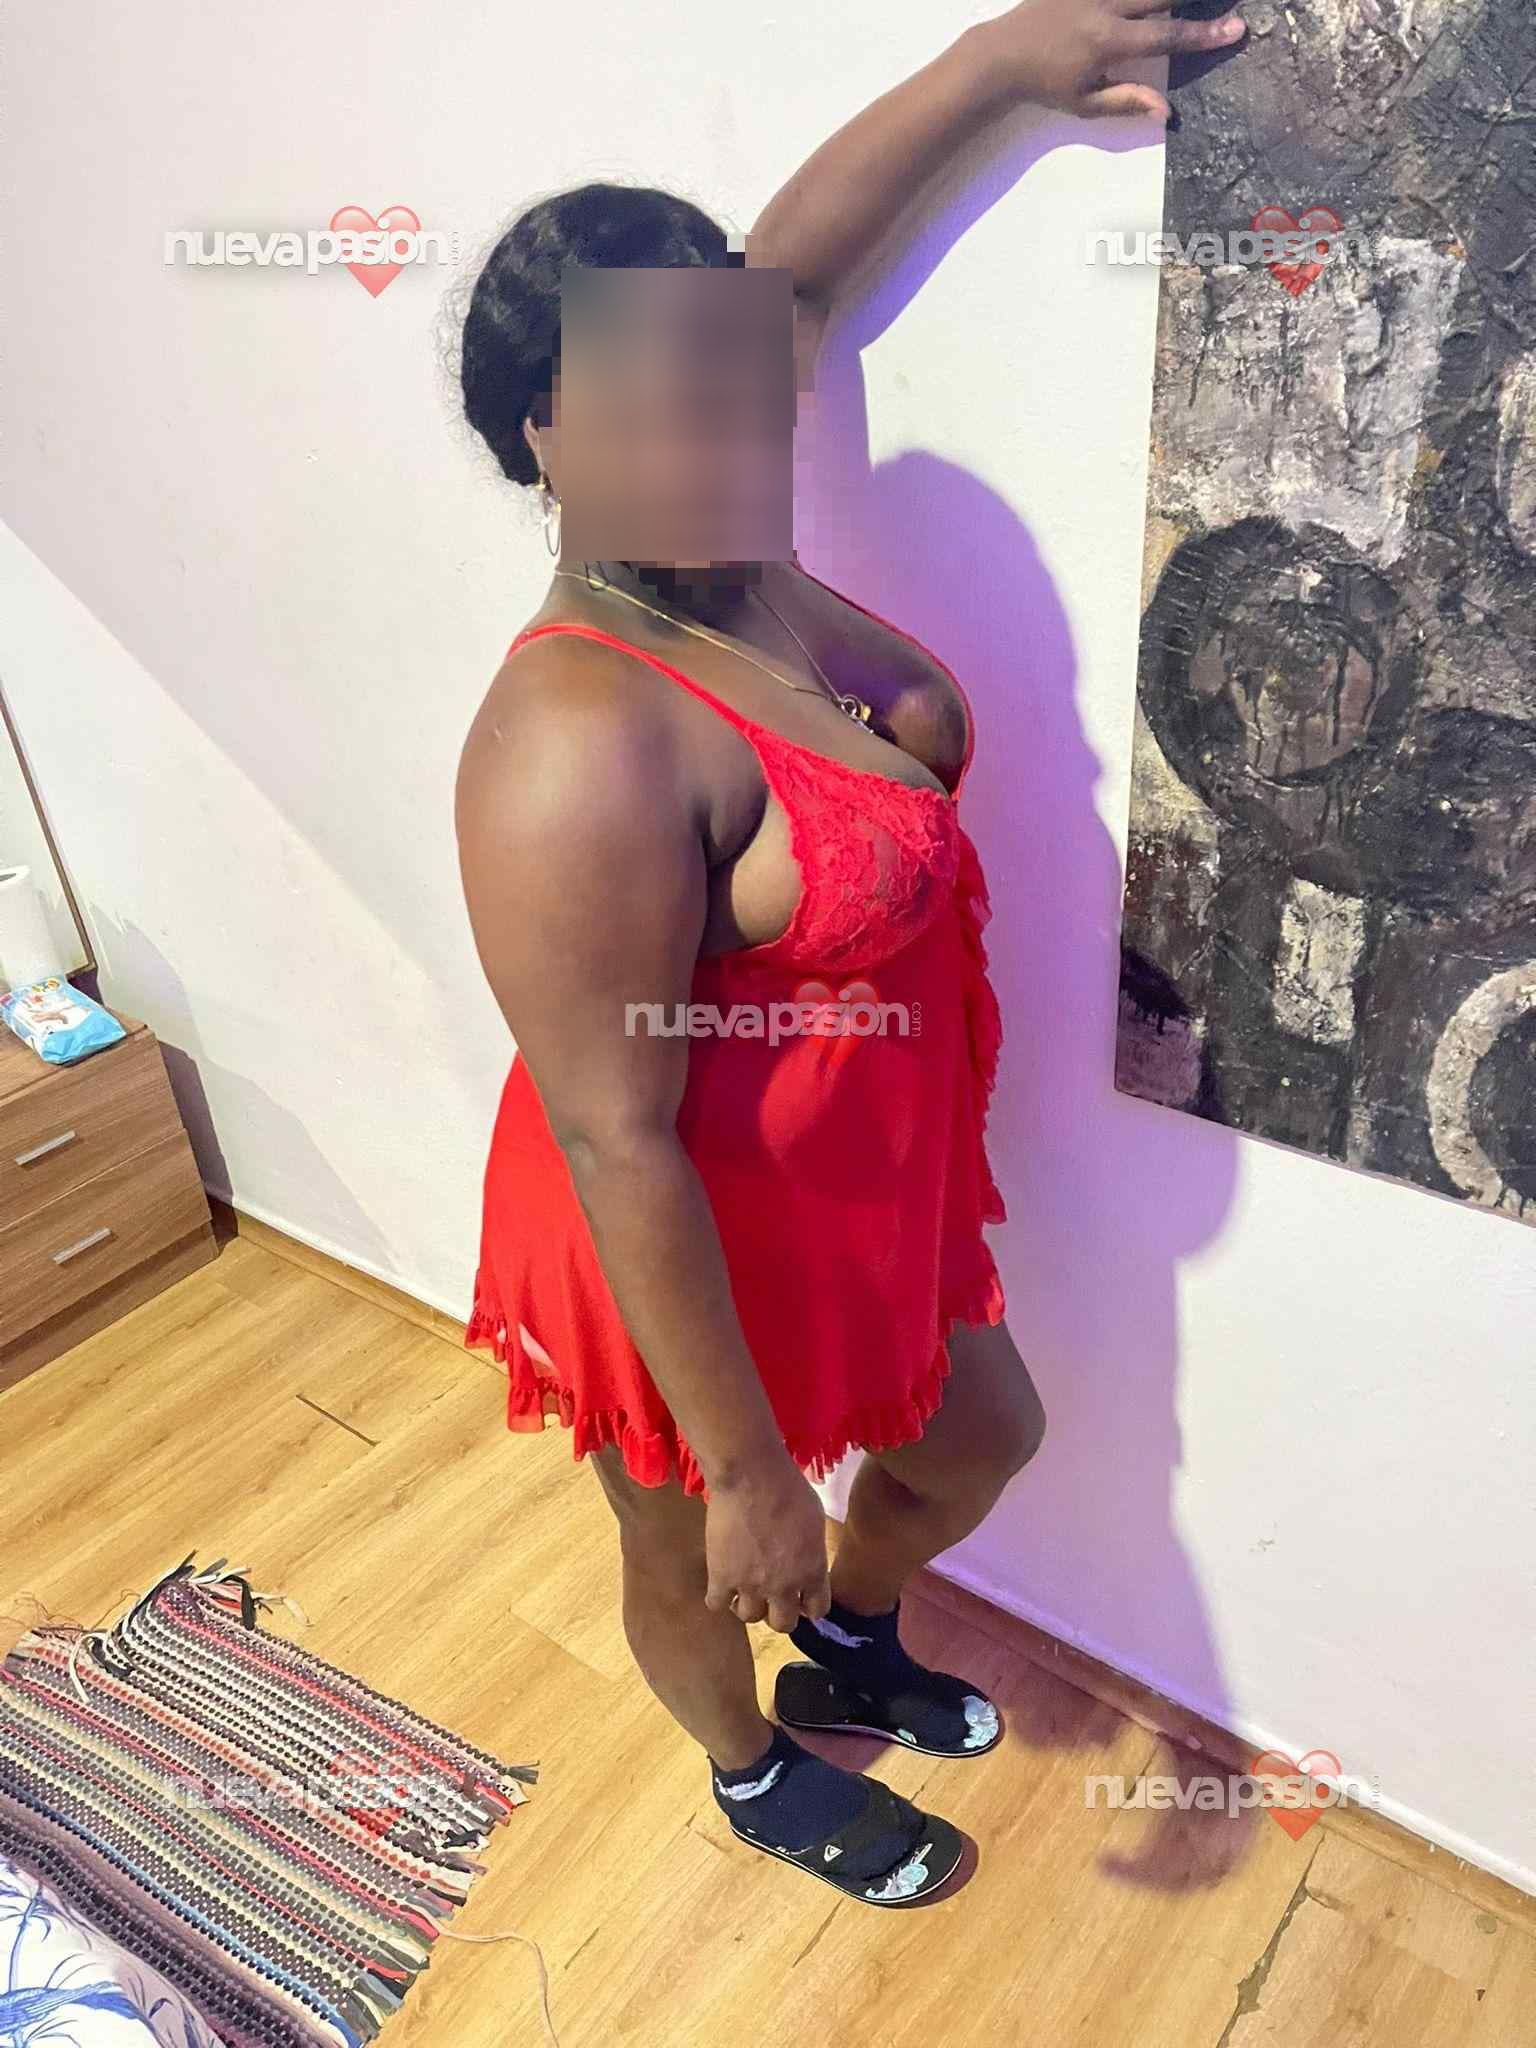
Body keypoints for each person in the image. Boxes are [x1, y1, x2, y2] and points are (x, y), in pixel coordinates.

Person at [454, 0, 1247, 1908]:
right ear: (545, 433)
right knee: (687, 1560)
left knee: (981, 1439)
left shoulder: (733, 537)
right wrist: (746, 1471)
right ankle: (749, 1769)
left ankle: (854, 1630)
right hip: (665, 1220)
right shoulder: (578, 737)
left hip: (859, 1183)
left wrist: (996, 63)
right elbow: (614, 1132)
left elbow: (797, 269)